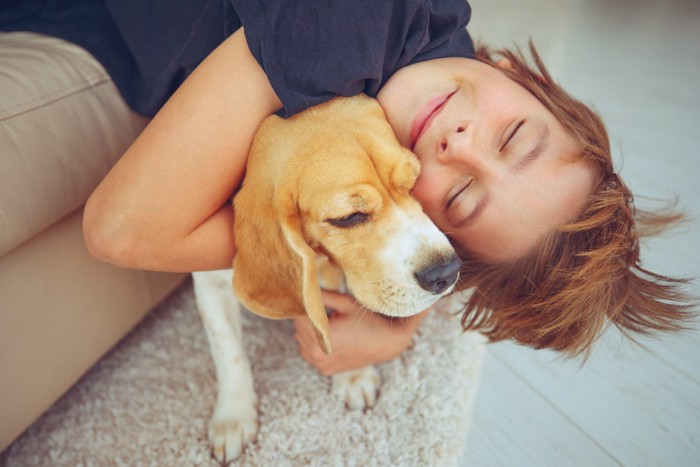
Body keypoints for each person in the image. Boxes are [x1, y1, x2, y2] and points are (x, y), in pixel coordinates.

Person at [2, 1, 691, 376]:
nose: (461, 143)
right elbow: (121, 228)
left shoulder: (413, 45)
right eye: (513, 136)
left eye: (461, 195)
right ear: (514, 69)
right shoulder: (347, 27)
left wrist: (404, 314)